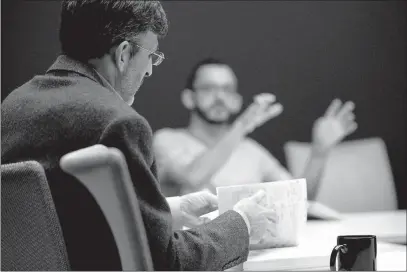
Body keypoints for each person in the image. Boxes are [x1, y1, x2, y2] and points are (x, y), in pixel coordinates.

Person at [1, 1, 276, 270]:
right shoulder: (119, 122)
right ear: (123, 54)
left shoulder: (12, 107)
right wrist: (242, 223)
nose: (149, 69)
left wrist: (173, 210)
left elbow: (66, 218)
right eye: (151, 55)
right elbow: (166, 262)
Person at [153, 58, 358, 199]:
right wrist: (241, 126)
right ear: (189, 98)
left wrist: (319, 153)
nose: (219, 97)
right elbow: (193, 177)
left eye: (227, 90)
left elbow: (299, 198)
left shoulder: (251, 151)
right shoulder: (166, 140)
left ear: (236, 101)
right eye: (208, 88)